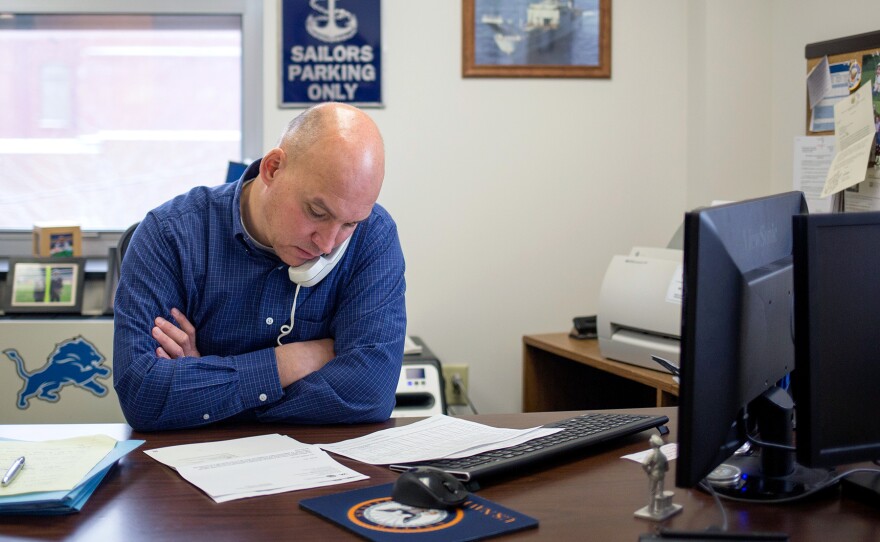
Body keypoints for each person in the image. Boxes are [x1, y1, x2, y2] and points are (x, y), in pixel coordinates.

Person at [113, 102, 406, 432]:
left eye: (348, 224)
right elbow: (143, 397)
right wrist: (298, 359)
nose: (326, 245)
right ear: (273, 168)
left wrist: (205, 389)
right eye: (317, 212)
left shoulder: (372, 236)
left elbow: (371, 393)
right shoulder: (169, 235)